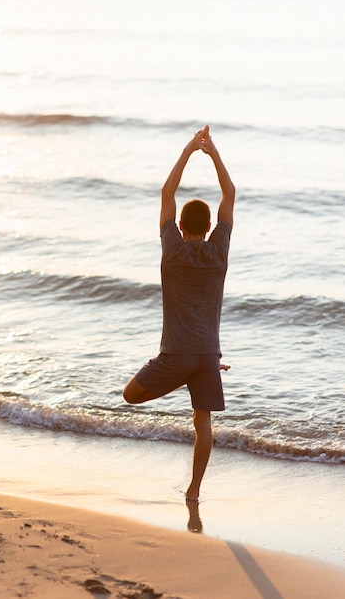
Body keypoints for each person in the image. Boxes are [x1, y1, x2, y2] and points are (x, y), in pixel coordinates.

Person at [123, 125, 235, 502]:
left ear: (182, 226)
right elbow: (230, 194)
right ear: (209, 228)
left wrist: (189, 150)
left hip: (179, 355)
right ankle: (193, 492)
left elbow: (167, 192)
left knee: (130, 395)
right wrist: (213, 152)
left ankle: (182, 374)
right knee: (202, 423)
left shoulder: (171, 248)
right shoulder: (219, 250)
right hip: (207, 354)